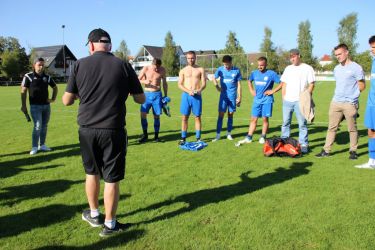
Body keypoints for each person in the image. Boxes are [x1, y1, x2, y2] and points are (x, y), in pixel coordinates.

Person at [62, 28, 145, 237]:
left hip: (87, 129)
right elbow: (140, 98)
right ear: (109, 45)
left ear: (91, 45)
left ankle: (94, 214)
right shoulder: (123, 65)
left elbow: (66, 100)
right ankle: (109, 224)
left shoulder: (80, 64)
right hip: (112, 129)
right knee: (111, 178)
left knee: (92, 173)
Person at [316, 44, 365, 160]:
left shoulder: (356, 68)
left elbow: (362, 85)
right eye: (336, 55)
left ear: (346, 52)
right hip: (336, 102)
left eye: (340, 54)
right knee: (331, 127)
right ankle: (326, 150)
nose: (338, 56)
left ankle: (353, 151)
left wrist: (353, 99)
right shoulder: (336, 68)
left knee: (352, 129)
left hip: (350, 104)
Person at [236, 56, 281, 146]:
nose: (259, 67)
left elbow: (282, 83)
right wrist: (251, 90)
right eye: (258, 65)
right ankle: (249, 137)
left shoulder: (271, 74)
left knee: (265, 119)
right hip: (257, 100)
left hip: (267, 100)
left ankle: (263, 136)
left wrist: (273, 91)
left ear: (266, 64)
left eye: (262, 65)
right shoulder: (254, 73)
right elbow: (249, 81)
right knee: (253, 119)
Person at [280, 49, 315, 153]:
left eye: (294, 56)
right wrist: (283, 97)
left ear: (299, 55)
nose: (292, 58)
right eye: (290, 57)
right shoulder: (288, 69)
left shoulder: (307, 68)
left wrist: (306, 97)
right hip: (287, 101)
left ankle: (303, 144)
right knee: (285, 123)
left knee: (302, 124)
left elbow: (312, 84)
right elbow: (284, 84)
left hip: (300, 101)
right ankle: (284, 141)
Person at [21, 57, 58, 155]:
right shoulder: (28, 76)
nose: (41, 67)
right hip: (35, 106)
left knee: (44, 126)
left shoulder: (47, 77)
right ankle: (34, 147)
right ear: (34, 65)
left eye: (43, 65)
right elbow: (23, 91)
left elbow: (55, 88)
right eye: (39, 65)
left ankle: (42, 145)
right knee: (38, 126)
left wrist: (53, 99)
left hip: (46, 106)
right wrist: (23, 105)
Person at [178, 50, 206, 144]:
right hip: (186, 96)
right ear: (186, 59)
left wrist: (199, 90)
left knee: (197, 117)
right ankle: (183, 138)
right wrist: (188, 91)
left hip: (197, 96)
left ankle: (198, 138)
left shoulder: (200, 69)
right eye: (189, 58)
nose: (191, 60)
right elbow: (180, 84)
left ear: (195, 57)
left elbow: (204, 84)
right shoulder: (183, 70)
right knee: (184, 117)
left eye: (192, 58)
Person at [211, 55, 242, 141]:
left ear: (231, 63)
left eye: (227, 64)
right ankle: (218, 135)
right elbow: (213, 78)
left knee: (230, 115)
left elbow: (239, 85)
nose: (226, 66)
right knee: (220, 115)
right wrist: (217, 87)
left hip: (232, 97)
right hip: (223, 97)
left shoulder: (236, 70)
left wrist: (240, 97)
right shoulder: (220, 69)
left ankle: (229, 134)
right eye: (224, 65)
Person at [137, 58, 168, 143]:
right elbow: (138, 80)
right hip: (146, 95)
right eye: (155, 67)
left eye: (158, 67)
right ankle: (145, 135)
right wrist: (145, 81)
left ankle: (156, 137)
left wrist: (165, 95)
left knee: (156, 116)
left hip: (157, 95)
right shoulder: (146, 68)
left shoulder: (162, 69)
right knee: (143, 115)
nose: (157, 69)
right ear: (152, 64)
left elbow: (164, 83)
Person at [355, 36, 375, 168]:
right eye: (371, 48)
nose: (372, 50)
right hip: (372, 103)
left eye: (374, 47)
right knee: (371, 131)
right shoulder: (374, 61)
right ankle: (372, 161)